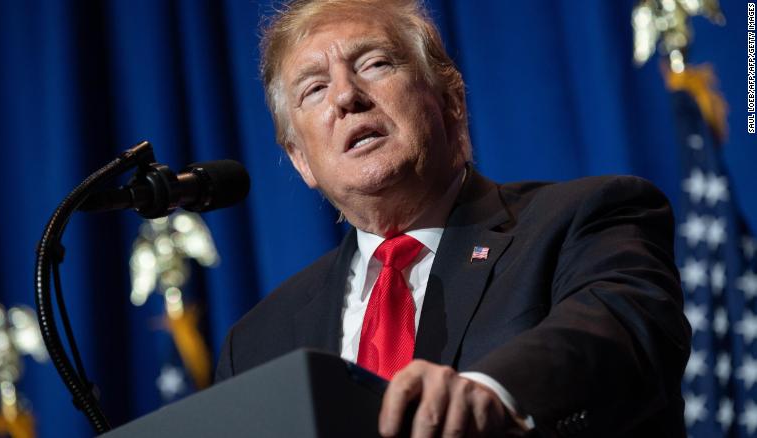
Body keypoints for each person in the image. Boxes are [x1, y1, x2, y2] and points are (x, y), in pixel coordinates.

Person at [215, 0, 691, 436]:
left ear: (451, 101)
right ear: (300, 160)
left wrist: (493, 392)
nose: (346, 96)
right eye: (314, 88)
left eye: (374, 63)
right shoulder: (256, 345)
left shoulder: (584, 218)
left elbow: (623, 331)